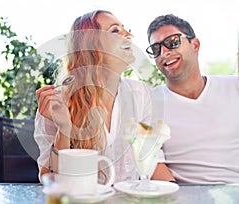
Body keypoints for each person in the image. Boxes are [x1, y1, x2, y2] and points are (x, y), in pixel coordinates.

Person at [34, 10, 161, 183]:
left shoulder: (140, 94)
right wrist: (64, 129)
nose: (129, 35)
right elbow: (51, 179)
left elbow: (150, 156)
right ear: (92, 46)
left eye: (125, 29)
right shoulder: (58, 102)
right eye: (115, 31)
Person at [146, 14, 239, 184]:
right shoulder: (149, 103)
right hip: (184, 196)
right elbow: (152, 161)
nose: (164, 53)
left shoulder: (235, 88)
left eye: (172, 42)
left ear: (195, 45)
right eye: (156, 49)